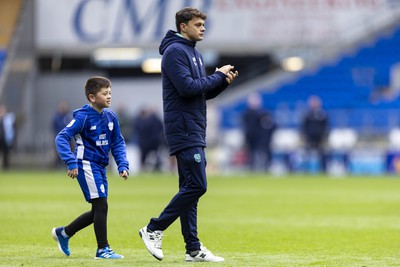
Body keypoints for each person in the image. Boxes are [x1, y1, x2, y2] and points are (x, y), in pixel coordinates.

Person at [138, 7, 239, 263]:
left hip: (193, 127)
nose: (203, 28)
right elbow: (186, 88)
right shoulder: (174, 52)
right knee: (198, 186)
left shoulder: (193, 52)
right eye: (198, 24)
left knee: (189, 189)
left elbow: (199, 93)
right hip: (183, 129)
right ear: (183, 26)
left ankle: (192, 248)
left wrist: (221, 83)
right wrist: (216, 75)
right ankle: (153, 229)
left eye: (203, 24)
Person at [52, 76, 129, 259]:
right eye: (105, 93)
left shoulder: (111, 116)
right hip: (85, 164)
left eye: (110, 93)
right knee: (101, 205)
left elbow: (117, 142)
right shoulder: (83, 118)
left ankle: (64, 233)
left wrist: (122, 164)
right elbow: (61, 137)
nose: (109, 96)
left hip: (100, 167)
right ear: (92, 97)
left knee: (97, 210)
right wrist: (70, 162)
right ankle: (102, 249)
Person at [242, 93, 276, 171]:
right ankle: (252, 168)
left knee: (264, 155)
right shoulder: (247, 114)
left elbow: (272, 125)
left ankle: (266, 168)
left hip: (263, 140)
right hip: (251, 139)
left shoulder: (264, 113)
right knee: (252, 156)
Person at [301, 95, 329, 173]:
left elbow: (326, 127)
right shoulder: (307, 115)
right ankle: (305, 170)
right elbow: (304, 127)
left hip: (320, 139)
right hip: (309, 138)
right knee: (307, 155)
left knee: (322, 155)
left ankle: (323, 170)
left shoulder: (322, 115)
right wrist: (305, 136)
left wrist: (324, 137)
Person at [132, 107, 164, 171]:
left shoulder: (141, 121)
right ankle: (155, 166)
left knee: (146, 155)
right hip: (152, 141)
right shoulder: (155, 120)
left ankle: (146, 167)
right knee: (154, 155)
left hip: (146, 142)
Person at [52, 101, 72, 168]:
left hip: (69, 138)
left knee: (70, 152)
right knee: (58, 153)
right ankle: (57, 166)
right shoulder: (56, 117)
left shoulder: (69, 115)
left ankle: (68, 166)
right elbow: (53, 127)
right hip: (59, 138)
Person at [0, 105, 16, 170]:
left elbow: (12, 129)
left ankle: (5, 167)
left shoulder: (8, 119)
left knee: (6, 153)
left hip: (5, 139)